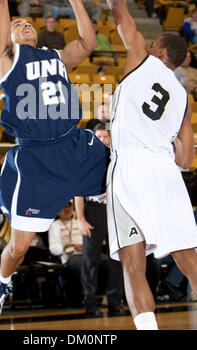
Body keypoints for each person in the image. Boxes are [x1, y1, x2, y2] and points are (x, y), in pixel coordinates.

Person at [0, 0, 109, 324]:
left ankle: (176, 234)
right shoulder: (6, 61)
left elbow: (89, 43)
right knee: (20, 245)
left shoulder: (56, 56)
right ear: (5, 38)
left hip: (73, 144)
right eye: (18, 24)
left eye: (29, 23)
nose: (24, 24)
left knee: (129, 165)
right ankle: (2, 282)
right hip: (36, 160)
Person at [88, 0, 197, 330]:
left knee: (133, 264)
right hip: (166, 172)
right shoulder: (184, 98)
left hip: (130, 169)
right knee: (189, 259)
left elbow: (117, 5)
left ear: (160, 48)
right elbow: (187, 156)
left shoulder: (141, 56)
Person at [75, 125, 124, 317]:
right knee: (90, 261)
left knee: (116, 259)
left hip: (113, 210)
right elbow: (78, 192)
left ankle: (115, 302)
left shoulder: (118, 159)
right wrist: (80, 219)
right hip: (92, 210)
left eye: (106, 136)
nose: (102, 139)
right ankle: (90, 303)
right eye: (99, 136)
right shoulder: (85, 160)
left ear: (111, 139)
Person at [48, 201, 84, 307]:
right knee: (76, 264)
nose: (67, 209)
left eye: (69, 206)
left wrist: (84, 247)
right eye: (64, 207)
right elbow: (53, 249)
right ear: (58, 211)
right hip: (69, 257)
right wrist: (66, 247)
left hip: (85, 254)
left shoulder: (80, 222)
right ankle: (81, 297)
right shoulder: (54, 225)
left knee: (106, 260)